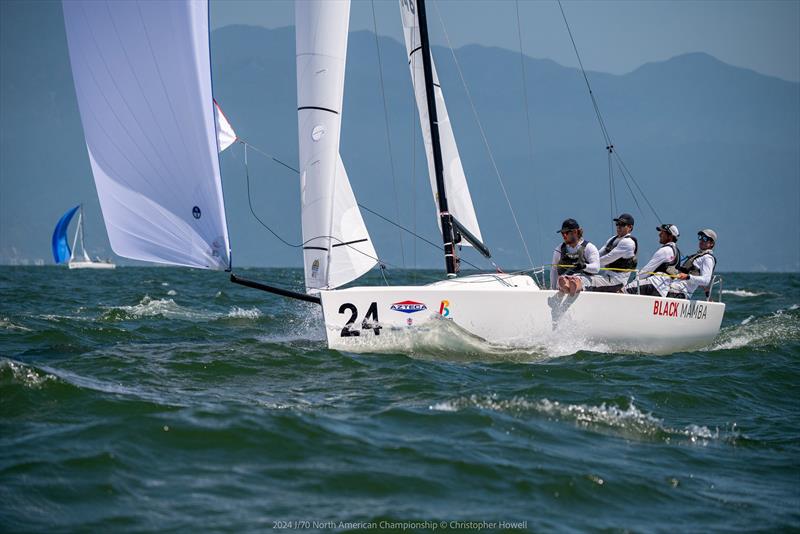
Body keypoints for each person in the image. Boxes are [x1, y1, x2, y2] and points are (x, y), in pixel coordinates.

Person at [624, 224, 681, 296]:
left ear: (670, 236)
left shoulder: (665, 250)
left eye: (662, 232)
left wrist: (634, 282)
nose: (659, 234)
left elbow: (647, 271)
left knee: (623, 290)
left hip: (653, 285)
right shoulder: (676, 252)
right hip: (663, 291)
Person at [550, 218, 600, 295]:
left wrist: (584, 266)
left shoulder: (589, 247)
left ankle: (571, 286)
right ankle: (566, 286)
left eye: (566, 233)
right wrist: (552, 290)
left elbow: (596, 268)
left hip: (584, 282)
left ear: (575, 232)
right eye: (562, 233)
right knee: (563, 279)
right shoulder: (559, 249)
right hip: (564, 279)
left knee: (577, 280)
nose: (563, 236)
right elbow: (554, 270)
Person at [667, 228, 718, 299]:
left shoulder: (707, 258)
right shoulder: (699, 256)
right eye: (700, 238)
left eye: (705, 239)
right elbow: (700, 279)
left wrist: (687, 276)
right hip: (673, 289)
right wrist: (707, 292)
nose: (701, 240)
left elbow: (706, 280)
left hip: (679, 293)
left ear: (711, 243)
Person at [594, 213, 637, 292]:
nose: (618, 226)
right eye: (617, 224)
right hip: (607, 276)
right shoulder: (613, 239)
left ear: (630, 227)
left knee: (587, 282)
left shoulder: (628, 242)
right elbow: (599, 253)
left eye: (622, 224)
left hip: (617, 281)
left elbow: (609, 258)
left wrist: (589, 264)